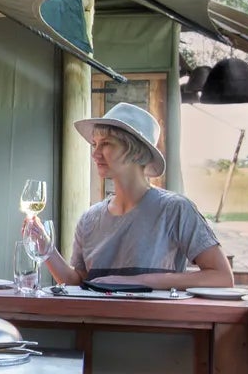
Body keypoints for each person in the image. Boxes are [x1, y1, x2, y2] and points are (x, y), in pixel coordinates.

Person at [26, 101, 233, 289]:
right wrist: (47, 249)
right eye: (94, 144)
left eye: (106, 143)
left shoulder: (175, 209)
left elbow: (222, 277)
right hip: (95, 328)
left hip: (155, 328)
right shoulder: (89, 219)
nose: (95, 153)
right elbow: (77, 283)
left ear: (137, 151)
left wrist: (134, 282)